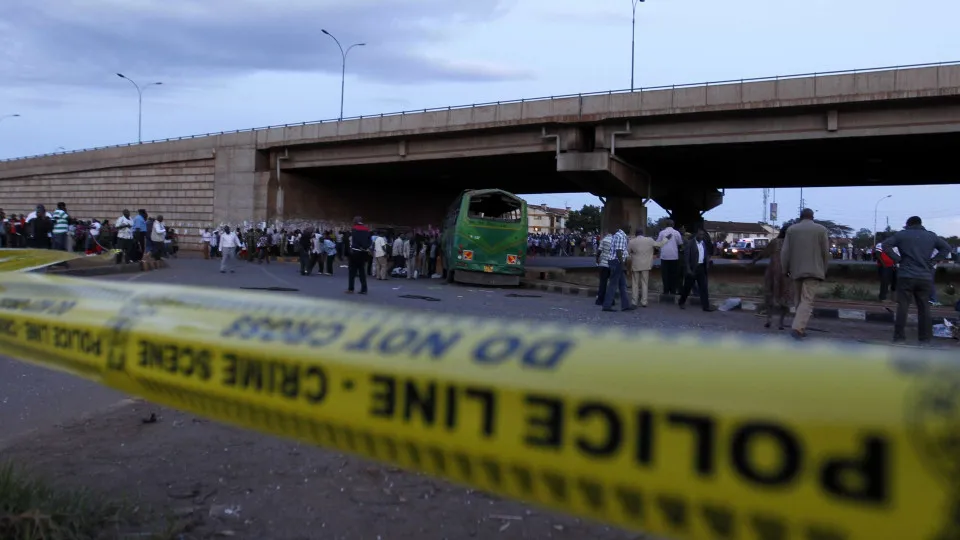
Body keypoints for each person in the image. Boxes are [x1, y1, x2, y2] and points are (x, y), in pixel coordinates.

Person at [882, 216, 951, 344]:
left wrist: (898, 259)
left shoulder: (902, 235)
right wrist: (933, 261)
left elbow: (885, 245)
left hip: (905, 275)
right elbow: (947, 248)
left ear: (908, 224)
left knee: (903, 306)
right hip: (924, 276)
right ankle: (924, 339)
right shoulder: (931, 236)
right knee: (924, 307)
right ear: (920, 223)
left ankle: (899, 337)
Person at [781, 209, 830, 340]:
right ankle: (797, 328)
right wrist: (824, 269)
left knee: (798, 300)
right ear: (813, 217)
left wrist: (784, 269)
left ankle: (800, 327)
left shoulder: (791, 230)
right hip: (814, 271)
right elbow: (825, 252)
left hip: (796, 270)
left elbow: (785, 252)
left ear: (800, 217)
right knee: (807, 300)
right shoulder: (821, 229)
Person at [754, 225, 792, 329]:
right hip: (785, 273)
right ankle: (781, 323)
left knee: (769, 296)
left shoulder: (775, 242)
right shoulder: (792, 244)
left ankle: (769, 320)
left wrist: (753, 261)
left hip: (772, 271)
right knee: (784, 297)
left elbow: (763, 254)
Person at [627, 228, 671, 308]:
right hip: (646, 265)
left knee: (635, 284)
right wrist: (666, 238)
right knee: (644, 283)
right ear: (643, 233)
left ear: (636, 234)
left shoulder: (632, 241)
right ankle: (644, 301)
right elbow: (660, 245)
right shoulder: (649, 240)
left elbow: (627, 252)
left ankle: (634, 302)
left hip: (636, 264)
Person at [678, 230, 716, 312]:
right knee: (687, 288)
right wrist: (688, 269)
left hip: (701, 268)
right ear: (696, 235)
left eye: (703, 235)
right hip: (692, 269)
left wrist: (707, 262)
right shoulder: (690, 243)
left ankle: (706, 306)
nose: (702, 236)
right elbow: (686, 257)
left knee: (704, 288)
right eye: (700, 235)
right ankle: (681, 302)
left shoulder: (703, 243)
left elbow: (706, 254)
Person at [602, 224, 633, 312]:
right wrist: (622, 264)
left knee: (622, 285)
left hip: (614, 261)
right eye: (629, 227)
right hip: (617, 262)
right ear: (625, 228)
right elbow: (619, 251)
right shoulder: (621, 236)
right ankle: (607, 305)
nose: (630, 229)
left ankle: (625, 305)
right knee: (613, 284)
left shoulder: (617, 235)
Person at [656, 220, 684, 295]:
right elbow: (680, 243)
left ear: (666, 225)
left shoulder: (661, 233)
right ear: (673, 225)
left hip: (664, 256)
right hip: (674, 257)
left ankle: (666, 291)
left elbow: (658, 244)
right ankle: (673, 291)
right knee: (673, 275)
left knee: (665, 275)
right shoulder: (676, 233)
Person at [346, 216, 372, 294]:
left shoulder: (354, 229)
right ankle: (364, 289)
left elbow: (354, 240)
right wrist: (364, 247)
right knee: (362, 271)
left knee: (352, 271)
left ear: (355, 221)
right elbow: (369, 241)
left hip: (355, 252)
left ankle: (351, 289)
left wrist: (358, 246)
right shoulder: (367, 229)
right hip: (363, 253)